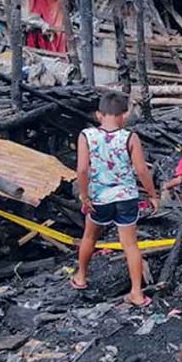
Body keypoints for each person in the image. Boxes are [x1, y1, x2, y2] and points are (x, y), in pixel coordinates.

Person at [72, 91, 159, 308]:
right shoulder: (130, 137)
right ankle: (137, 293)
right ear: (124, 115)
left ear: (99, 114)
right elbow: (141, 169)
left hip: (99, 198)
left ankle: (81, 277)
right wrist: (152, 195)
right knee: (130, 245)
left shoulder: (86, 136)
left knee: (89, 237)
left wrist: (84, 196)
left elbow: (82, 169)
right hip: (126, 197)